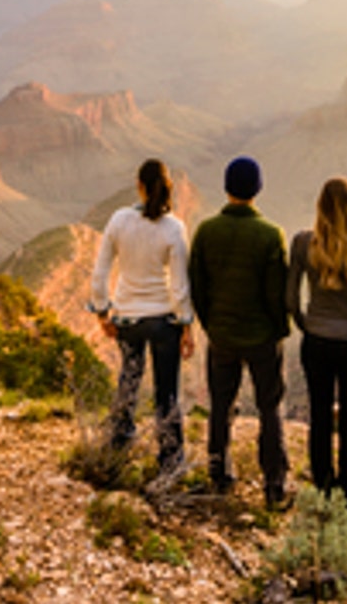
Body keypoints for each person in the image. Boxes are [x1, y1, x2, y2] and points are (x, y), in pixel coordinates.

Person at [189, 155, 290, 505]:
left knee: (220, 405)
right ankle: (274, 485)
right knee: (269, 407)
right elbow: (278, 294)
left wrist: (211, 324)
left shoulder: (206, 231)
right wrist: (279, 330)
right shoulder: (270, 235)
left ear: (227, 188)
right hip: (263, 337)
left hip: (222, 337)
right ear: (257, 189)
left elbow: (196, 287)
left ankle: (220, 477)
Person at [89, 158, 195, 472]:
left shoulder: (120, 220)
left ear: (139, 186)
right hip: (164, 321)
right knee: (167, 392)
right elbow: (179, 285)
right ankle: (171, 458)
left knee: (129, 380)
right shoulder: (174, 228)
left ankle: (118, 445)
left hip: (128, 320)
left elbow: (100, 273)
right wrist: (187, 325)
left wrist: (102, 312)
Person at [287, 176, 347, 510]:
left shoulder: (303, 243)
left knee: (319, 416)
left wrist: (306, 324)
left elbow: (290, 298)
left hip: (317, 341)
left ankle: (323, 489)